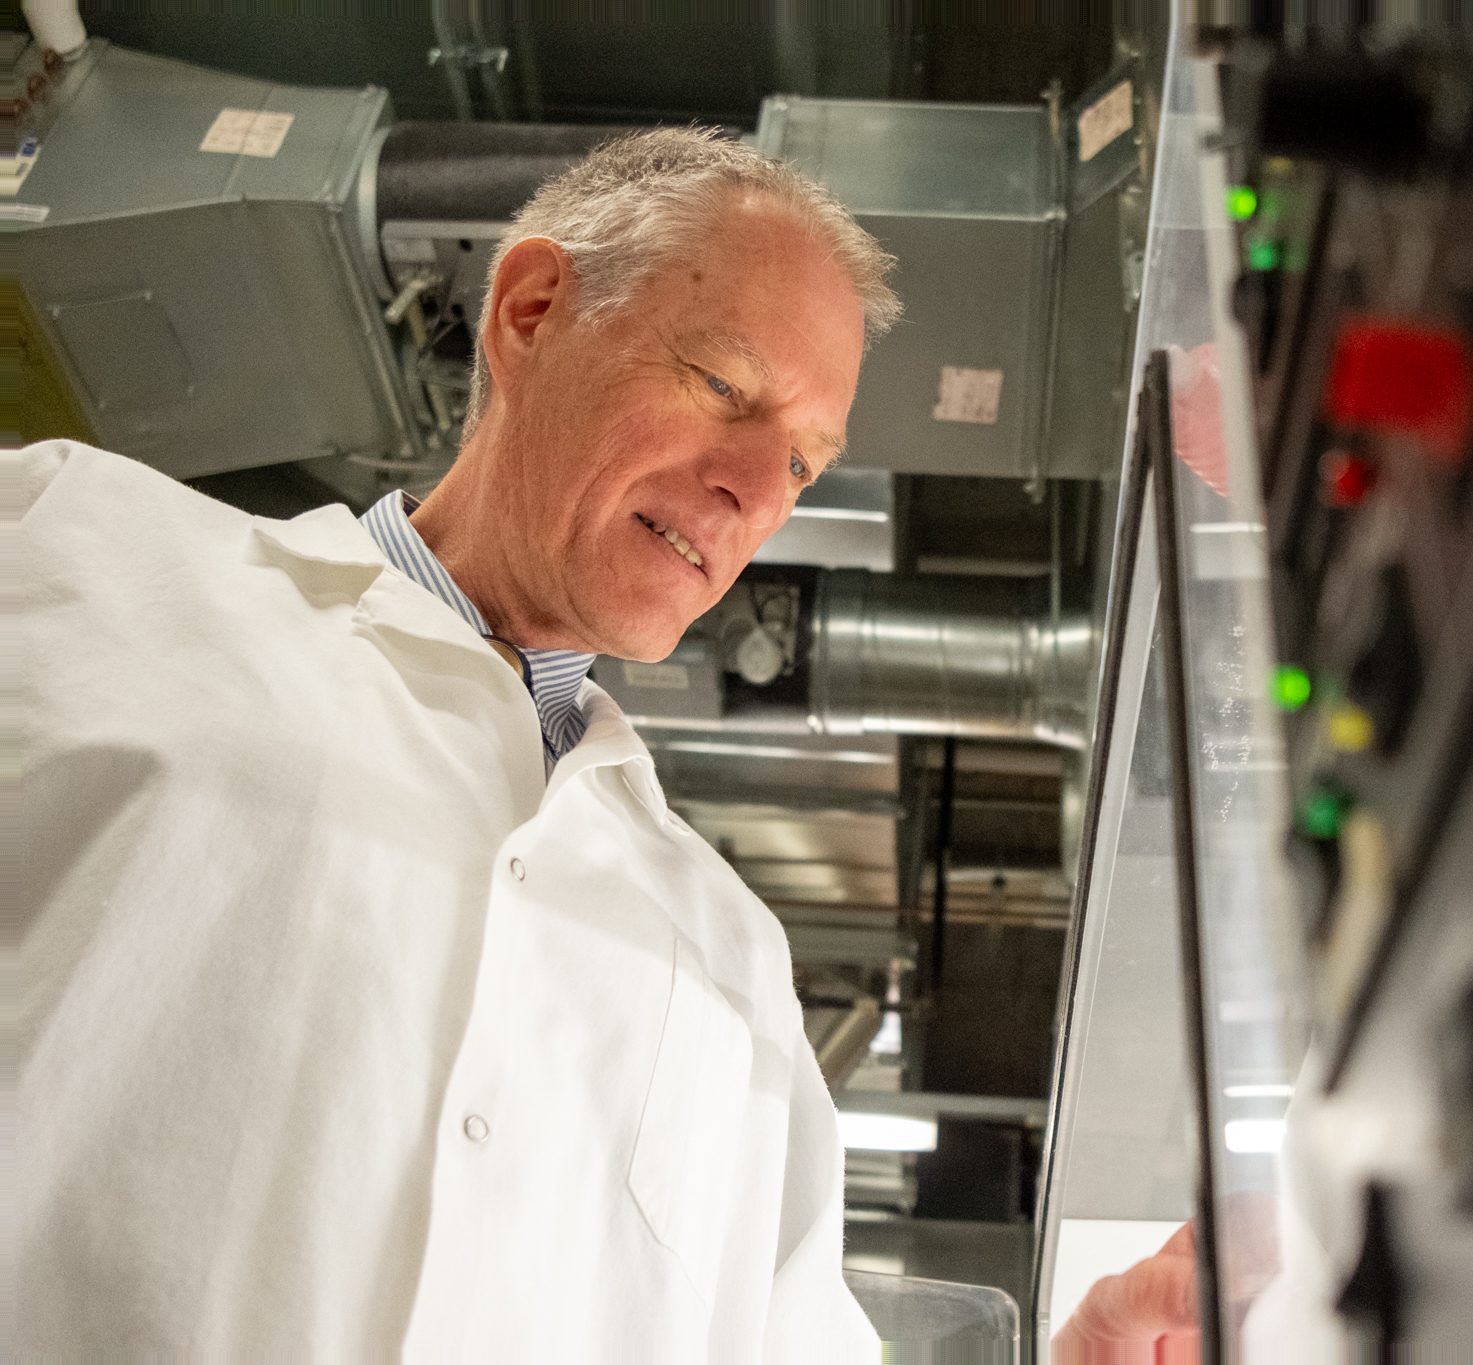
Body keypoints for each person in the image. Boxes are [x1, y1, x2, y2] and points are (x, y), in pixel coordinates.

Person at [20, 128, 898, 1360]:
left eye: (802, 461)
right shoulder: (75, 551)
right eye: (722, 386)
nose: (757, 489)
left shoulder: (733, 955)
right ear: (534, 311)